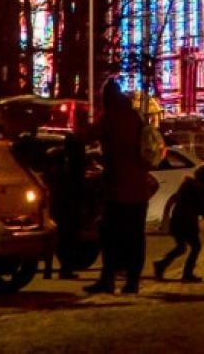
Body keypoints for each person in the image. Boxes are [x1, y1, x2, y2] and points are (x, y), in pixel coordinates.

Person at [85, 79, 155, 295]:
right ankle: (132, 281)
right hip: (139, 187)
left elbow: (87, 137)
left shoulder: (110, 118)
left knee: (110, 235)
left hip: (118, 189)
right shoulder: (135, 117)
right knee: (135, 236)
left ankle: (108, 279)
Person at [153, 162, 204, 282]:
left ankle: (161, 265)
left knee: (181, 247)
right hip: (187, 222)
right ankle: (187, 273)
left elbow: (175, 199)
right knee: (196, 247)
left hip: (177, 220)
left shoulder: (187, 184)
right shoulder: (200, 189)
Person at [42, 135, 88, 280]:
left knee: (58, 237)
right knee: (69, 238)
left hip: (58, 202)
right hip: (69, 203)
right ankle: (65, 269)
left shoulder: (57, 158)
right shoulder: (74, 161)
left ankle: (49, 269)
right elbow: (78, 182)